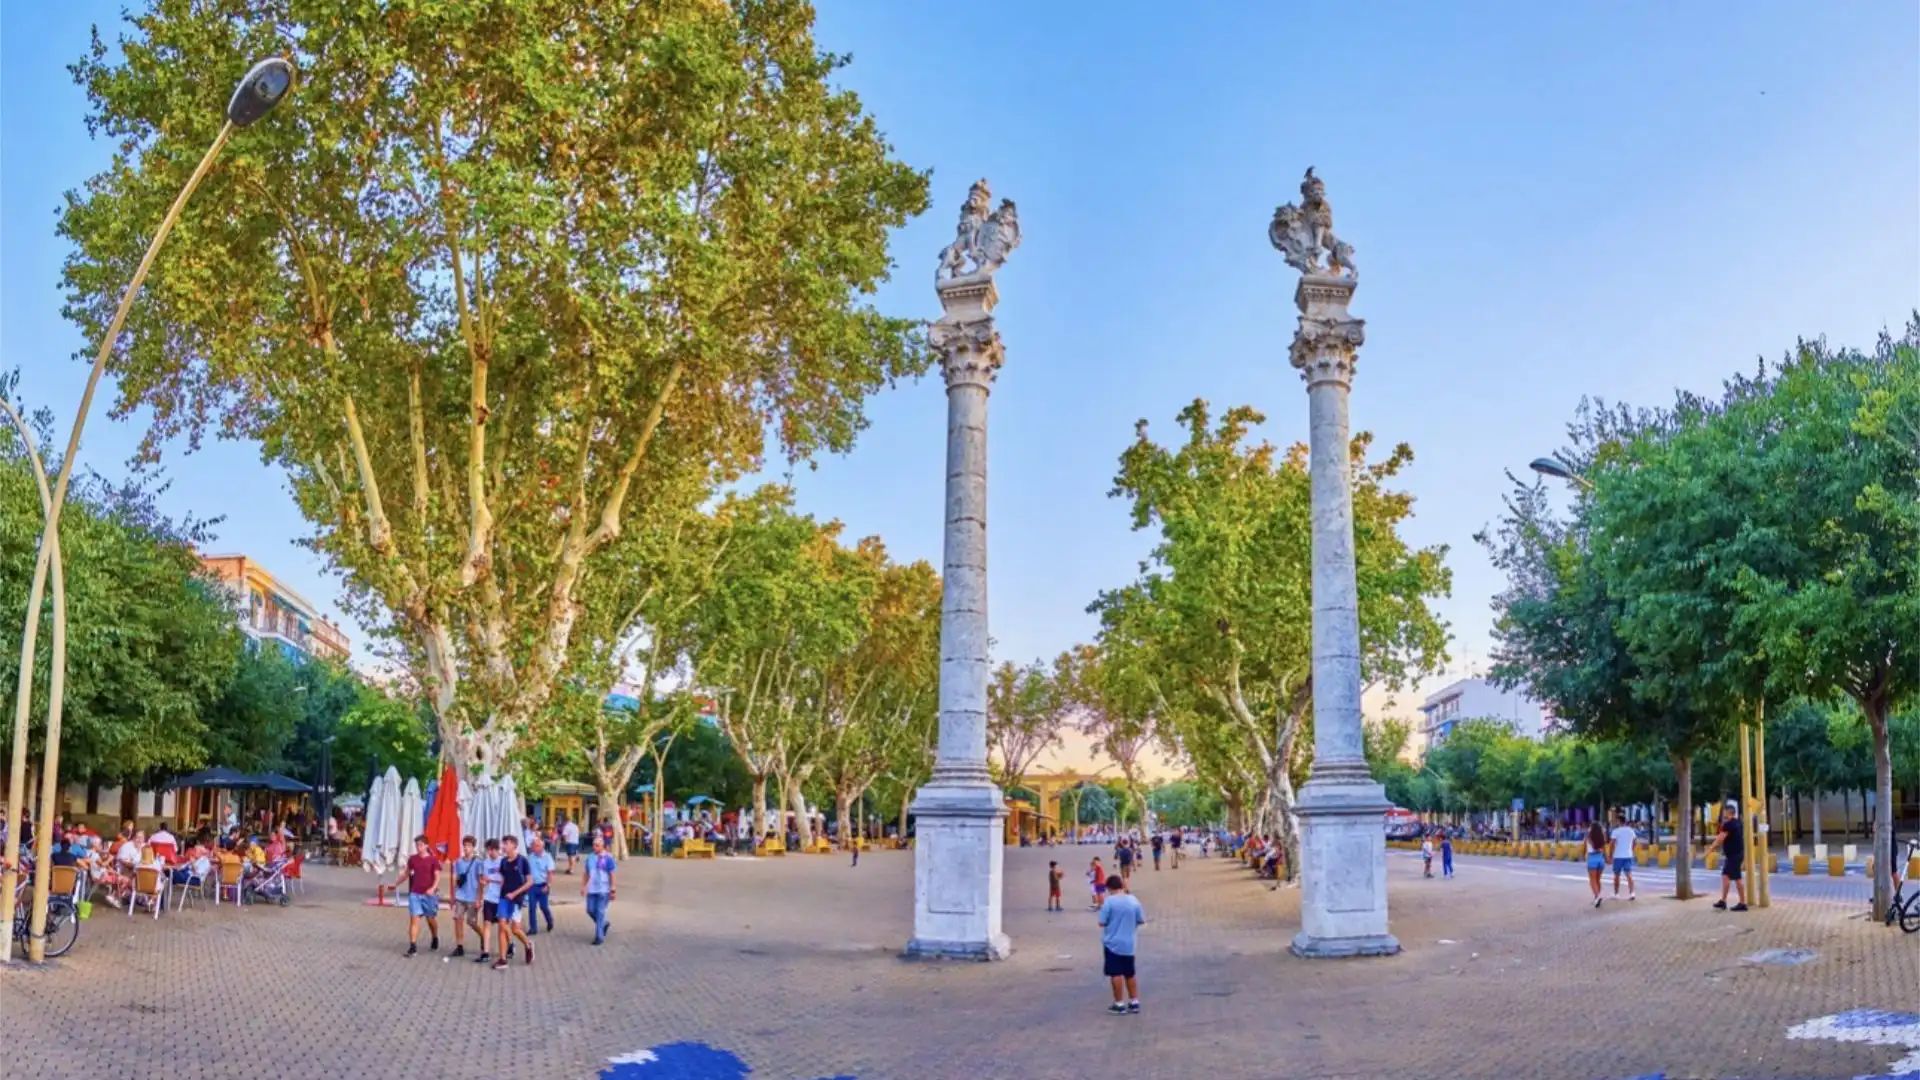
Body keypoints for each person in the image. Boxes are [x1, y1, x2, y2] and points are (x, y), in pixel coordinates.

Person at [1097, 873, 1147, 1015]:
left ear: (1109, 888)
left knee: (1116, 973)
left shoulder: (1109, 902)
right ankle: (1134, 1001)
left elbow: (1101, 922)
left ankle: (1119, 1003)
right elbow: (1141, 919)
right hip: (1129, 943)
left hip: (1112, 943)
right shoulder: (1133, 900)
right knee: (1130, 973)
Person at [395, 835, 441, 957]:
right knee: (414, 919)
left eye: (421, 845)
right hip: (415, 893)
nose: (418, 847)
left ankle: (435, 936)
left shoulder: (433, 860)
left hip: (429, 895)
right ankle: (413, 946)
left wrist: (433, 888)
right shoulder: (413, 859)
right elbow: (406, 874)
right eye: (417, 845)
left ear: (426, 846)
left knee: (430, 919)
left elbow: (437, 876)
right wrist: (395, 884)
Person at [493, 836, 534, 969]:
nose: (503, 846)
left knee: (515, 929)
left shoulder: (523, 861)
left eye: (506, 844)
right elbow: (503, 879)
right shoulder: (503, 861)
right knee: (501, 925)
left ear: (514, 845)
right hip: (504, 898)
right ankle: (502, 959)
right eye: (503, 843)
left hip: (517, 899)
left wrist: (515, 893)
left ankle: (528, 944)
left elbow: (530, 882)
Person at [1705, 801, 1748, 912]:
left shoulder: (1729, 824)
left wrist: (1710, 849)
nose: (1723, 814)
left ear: (1728, 813)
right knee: (1726, 876)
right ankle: (1723, 901)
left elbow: (1720, 838)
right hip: (1736, 854)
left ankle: (1742, 903)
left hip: (1734, 856)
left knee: (1737, 878)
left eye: (1724, 812)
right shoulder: (1738, 822)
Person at [450, 836, 481, 959]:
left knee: (471, 922)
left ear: (473, 847)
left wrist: (479, 898)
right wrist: (453, 895)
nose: (466, 848)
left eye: (469, 846)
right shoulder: (458, 862)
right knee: (458, 919)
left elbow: (480, 881)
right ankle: (459, 946)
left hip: (472, 896)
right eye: (465, 845)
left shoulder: (478, 862)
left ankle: (483, 936)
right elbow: (456, 879)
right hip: (460, 895)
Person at [473, 839, 503, 964]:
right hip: (489, 898)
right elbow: (482, 882)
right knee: (486, 924)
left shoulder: (503, 862)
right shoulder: (485, 863)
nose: (490, 852)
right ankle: (485, 952)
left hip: (501, 899)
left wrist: (491, 880)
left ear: (497, 850)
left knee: (503, 926)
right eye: (488, 850)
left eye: (492, 850)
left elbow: (505, 881)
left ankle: (510, 944)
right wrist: (479, 898)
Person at [583, 832, 615, 945]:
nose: (594, 847)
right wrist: (584, 886)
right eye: (594, 845)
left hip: (603, 889)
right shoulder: (590, 858)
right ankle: (604, 924)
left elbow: (612, 874)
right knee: (590, 910)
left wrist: (613, 889)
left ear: (602, 846)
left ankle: (599, 937)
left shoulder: (608, 858)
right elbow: (586, 873)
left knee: (600, 912)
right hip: (592, 889)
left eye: (597, 845)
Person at [524, 836, 556, 936]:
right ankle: (533, 928)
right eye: (533, 845)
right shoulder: (530, 857)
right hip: (532, 886)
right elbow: (526, 871)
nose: (534, 847)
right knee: (532, 907)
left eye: (537, 846)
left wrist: (548, 885)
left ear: (542, 847)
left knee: (544, 906)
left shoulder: (547, 857)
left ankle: (550, 920)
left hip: (543, 885)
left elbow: (550, 873)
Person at [1608, 810, 1639, 902]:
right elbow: (1635, 841)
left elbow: (1612, 844)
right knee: (1629, 874)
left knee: (1617, 875)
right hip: (1628, 855)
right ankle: (1632, 893)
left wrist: (1610, 855)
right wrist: (1631, 849)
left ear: (1619, 821)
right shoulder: (1631, 831)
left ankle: (1616, 894)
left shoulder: (1616, 831)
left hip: (1618, 856)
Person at [1584, 821, 1608, 907]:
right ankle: (1597, 897)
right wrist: (1607, 858)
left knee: (1592, 880)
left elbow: (1586, 847)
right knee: (1598, 880)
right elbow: (1604, 848)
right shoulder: (1602, 836)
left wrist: (1584, 855)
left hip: (1592, 858)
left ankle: (1597, 897)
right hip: (1601, 858)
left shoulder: (1588, 836)